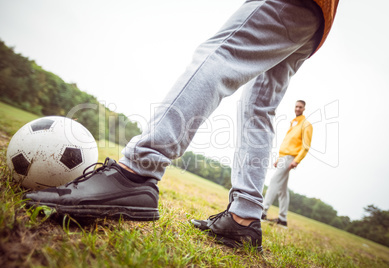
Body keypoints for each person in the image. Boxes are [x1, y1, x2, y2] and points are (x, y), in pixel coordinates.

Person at [24, 0, 339, 252]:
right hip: (318, 20)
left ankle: (137, 173)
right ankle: (244, 218)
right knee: (259, 109)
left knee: (220, 56)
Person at [261, 100, 313, 229]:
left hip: (290, 158)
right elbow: (287, 142)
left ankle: (262, 212)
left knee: (274, 182)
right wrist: (279, 158)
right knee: (282, 190)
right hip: (283, 157)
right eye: (296, 106)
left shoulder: (306, 125)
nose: (297, 108)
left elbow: (306, 146)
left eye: (300, 107)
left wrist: (297, 160)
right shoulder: (293, 123)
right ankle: (283, 219)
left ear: (304, 109)